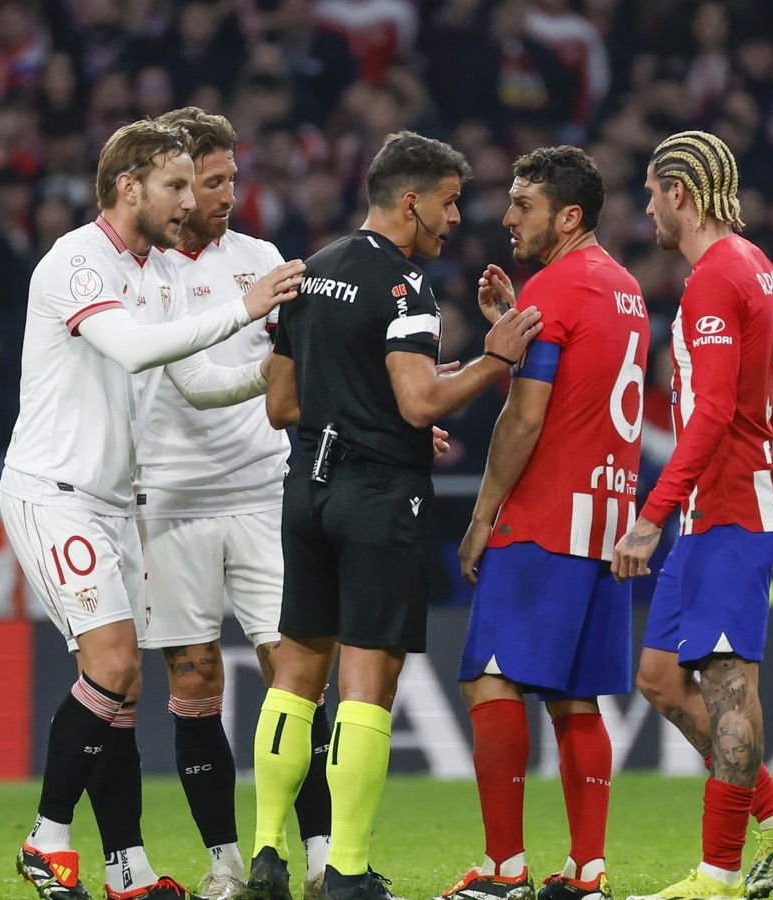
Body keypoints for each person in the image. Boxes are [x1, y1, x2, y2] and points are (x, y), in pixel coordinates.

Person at [1, 117, 306, 900]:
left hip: (113, 501)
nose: (191, 201)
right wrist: (246, 308)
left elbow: (198, 385)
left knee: (124, 688)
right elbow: (134, 349)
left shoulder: (155, 275)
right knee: (112, 666)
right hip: (53, 491)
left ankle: (126, 870)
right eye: (176, 186)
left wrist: (281, 372)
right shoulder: (77, 261)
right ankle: (46, 839)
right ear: (129, 186)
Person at [247, 131, 542, 900]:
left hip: (306, 490)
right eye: (449, 202)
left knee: (294, 677)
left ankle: (267, 852)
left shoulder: (312, 271)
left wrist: (376, 415)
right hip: (377, 498)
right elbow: (418, 401)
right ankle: (345, 869)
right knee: (366, 682)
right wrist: (495, 357)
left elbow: (282, 404)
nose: (456, 218)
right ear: (410, 201)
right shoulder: (408, 286)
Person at [611, 131, 773, 900]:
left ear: (681, 194)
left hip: (728, 510)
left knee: (728, 686)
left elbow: (714, 413)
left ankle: (719, 873)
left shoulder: (713, 279)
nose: (646, 209)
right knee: (661, 679)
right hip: (720, 506)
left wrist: (651, 514)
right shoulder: (756, 265)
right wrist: (770, 457)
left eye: (651, 193)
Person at [435, 145, 647, 900]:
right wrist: (511, 324)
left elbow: (525, 420)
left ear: (568, 215)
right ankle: (587, 872)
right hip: (606, 520)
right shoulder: (625, 289)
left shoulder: (555, 288)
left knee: (490, 681)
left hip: (545, 516)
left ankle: (503, 870)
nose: (507, 216)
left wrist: (482, 516)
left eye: (523, 204)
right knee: (575, 696)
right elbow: (584, 383)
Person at [135, 107, 332, 900]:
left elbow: (309, 367)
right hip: (170, 497)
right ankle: (224, 862)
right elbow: (199, 382)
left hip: (260, 492)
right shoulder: (140, 271)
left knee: (294, 673)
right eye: (208, 181)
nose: (223, 194)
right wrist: (267, 370)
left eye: (228, 179)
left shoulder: (262, 260)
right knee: (193, 682)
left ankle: (319, 857)